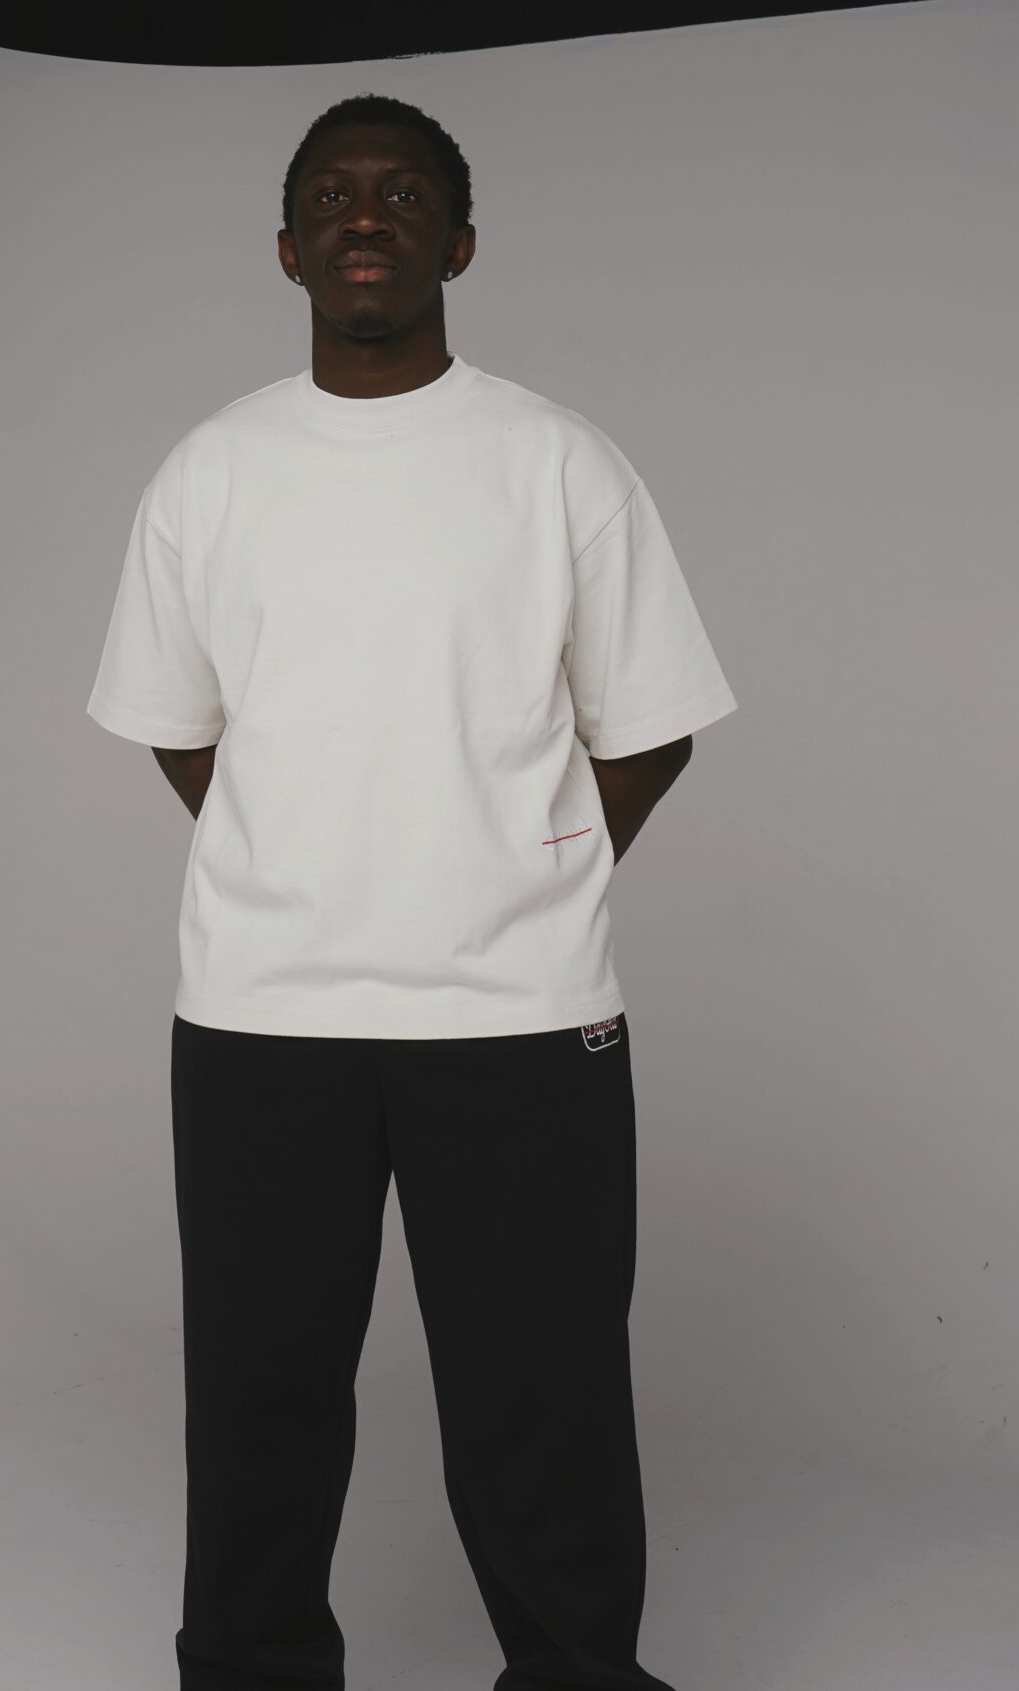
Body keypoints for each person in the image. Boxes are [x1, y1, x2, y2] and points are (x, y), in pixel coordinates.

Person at [85, 91, 736, 1691]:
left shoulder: (557, 463)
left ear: (460, 242)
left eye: (402, 194)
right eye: (331, 194)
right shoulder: (211, 473)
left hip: (520, 1017)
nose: (364, 215)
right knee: (260, 1396)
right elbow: (177, 724)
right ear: (286, 248)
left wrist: (517, 868)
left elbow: (651, 724)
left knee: (543, 1398)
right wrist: (299, 851)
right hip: (261, 1017)